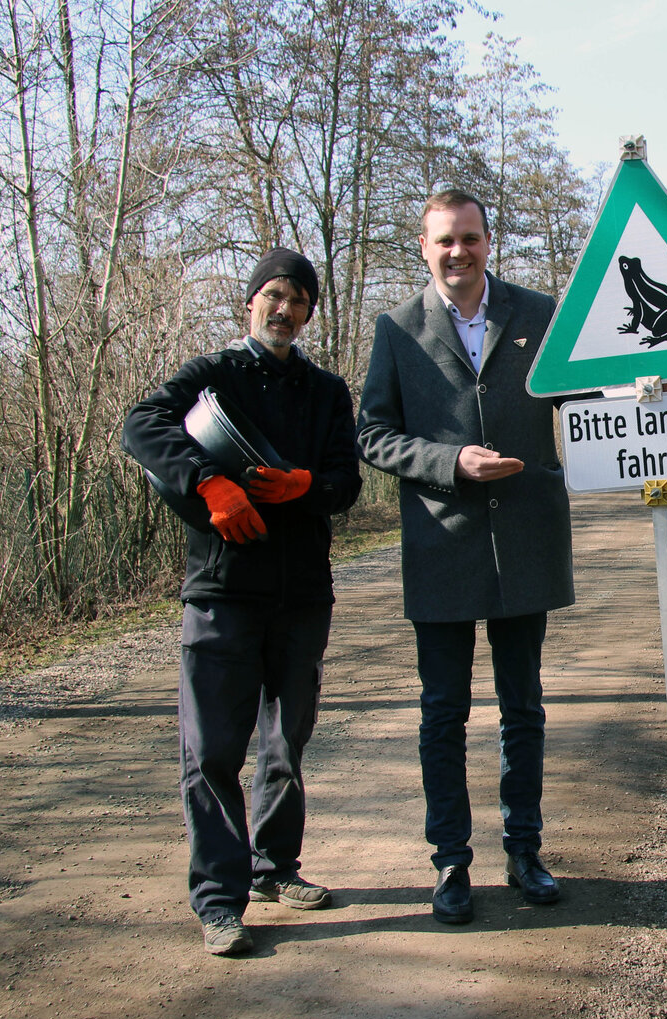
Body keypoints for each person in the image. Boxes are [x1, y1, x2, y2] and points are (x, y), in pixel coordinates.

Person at [122, 248, 362, 956]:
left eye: (298, 300)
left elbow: (346, 481)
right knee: (214, 750)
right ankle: (219, 901)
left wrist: (307, 488)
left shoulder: (326, 391)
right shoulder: (213, 375)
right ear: (250, 303)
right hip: (222, 591)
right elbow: (141, 424)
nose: (283, 309)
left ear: (311, 312)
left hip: (301, 595)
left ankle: (273, 868)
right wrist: (207, 484)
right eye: (273, 296)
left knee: (286, 743)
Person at [356, 187, 573, 925]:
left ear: (489, 242)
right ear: (424, 247)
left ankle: (525, 852)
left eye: (470, 238)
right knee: (442, 714)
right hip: (441, 545)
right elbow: (373, 434)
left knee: (523, 710)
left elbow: (586, 394)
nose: (458, 252)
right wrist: (450, 462)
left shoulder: (541, 316)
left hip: (527, 539)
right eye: (444, 240)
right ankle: (450, 863)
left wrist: (645, 392)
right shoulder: (397, 330)